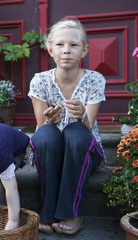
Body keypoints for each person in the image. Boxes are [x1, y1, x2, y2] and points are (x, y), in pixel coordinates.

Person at [27, 16, 106, 235]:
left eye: (73, 45)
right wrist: (49, 121)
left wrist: (81, 116)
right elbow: (41, 126)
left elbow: (87, 131)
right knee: (46, 135)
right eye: (60, 45)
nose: (66, 50)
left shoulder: (95, 79)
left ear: (84, 50)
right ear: (50, 50)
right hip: (51, 152)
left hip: (85, 150)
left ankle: (74, 213)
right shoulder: (40, 80)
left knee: (75, 131)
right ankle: (49, 210)